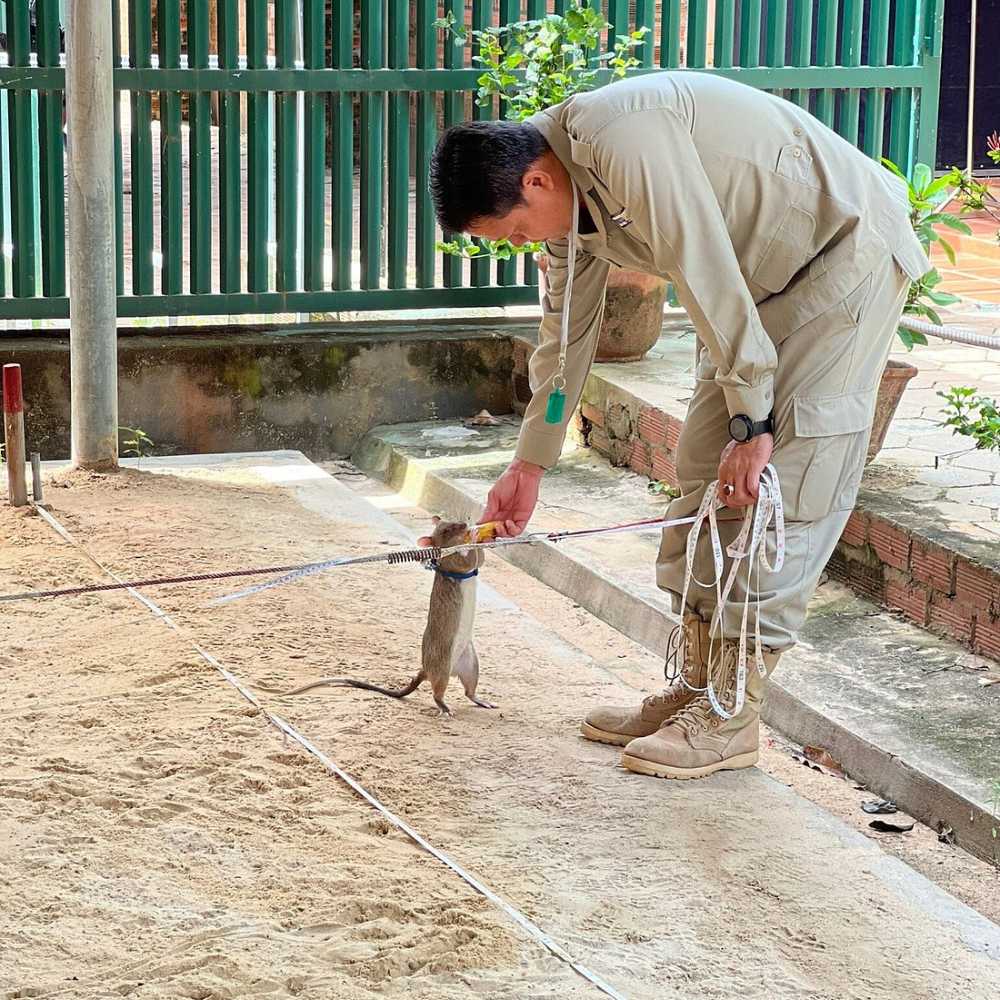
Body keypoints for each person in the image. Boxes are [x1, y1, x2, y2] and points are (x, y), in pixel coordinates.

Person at [429, 72, 929, 780]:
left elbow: (704, 269)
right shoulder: (563, 201)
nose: (520, 244)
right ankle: (696, 687)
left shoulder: (622, 140)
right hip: (756, 287)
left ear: (537, 183)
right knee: (699, 474)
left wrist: (752, 420)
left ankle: (732, 718)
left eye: (514, 232)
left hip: (840, 262)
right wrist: (530, 463)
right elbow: (565, 339)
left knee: (781, 488)